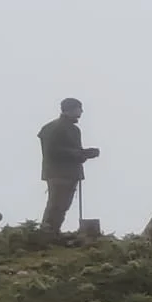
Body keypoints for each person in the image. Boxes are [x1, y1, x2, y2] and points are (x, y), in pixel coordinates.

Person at [38, 98, 100, 237]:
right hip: (60, 173)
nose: (81, 111)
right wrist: (79, 154)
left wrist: (84, 154)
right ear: (70, 109)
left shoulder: (71, 129)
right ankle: (47, 233)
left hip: (67, 173)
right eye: (79, 108)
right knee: (57, 205)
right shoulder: (55, 127)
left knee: (62, 206)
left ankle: (52, 232)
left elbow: (68, 150)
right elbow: (52, 151)